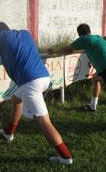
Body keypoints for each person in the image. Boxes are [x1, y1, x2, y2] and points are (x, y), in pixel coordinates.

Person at [0, 22, 73, 165]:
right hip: (44, 78)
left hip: (30, 82)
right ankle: (8, 133)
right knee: (16, 99)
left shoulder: (2, 37)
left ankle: (65, 157)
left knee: (44, 121)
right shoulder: (25, 34)